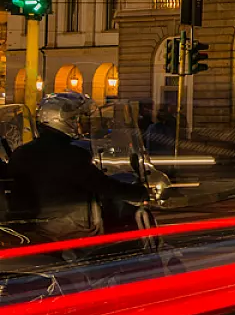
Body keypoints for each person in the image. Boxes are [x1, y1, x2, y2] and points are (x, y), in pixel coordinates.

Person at [7, 92, 146, 242]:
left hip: (33, 226)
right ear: (62, 120)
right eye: (75, 119)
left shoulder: (22, 152)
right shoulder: (70, 155)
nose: (79, 125)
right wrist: (137, 193)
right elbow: (101, 185)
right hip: (67, 228)